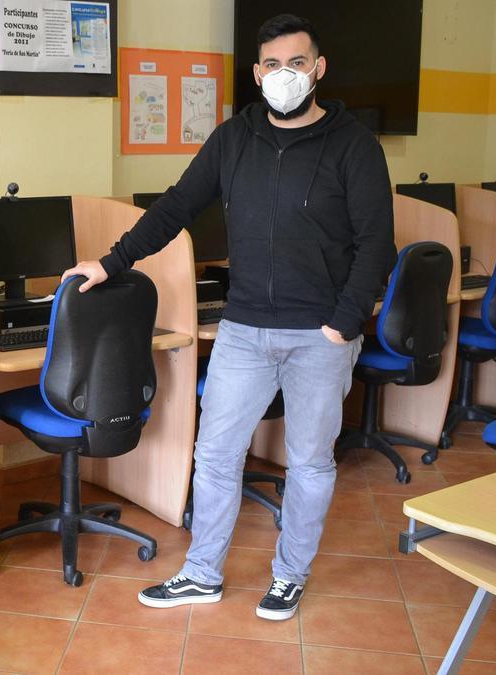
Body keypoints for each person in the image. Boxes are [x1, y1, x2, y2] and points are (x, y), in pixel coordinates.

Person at [62, 13, 395, 621]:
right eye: (272, 65)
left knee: (311, 463)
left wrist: (343, 322)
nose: (283, 75)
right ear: (256, 73)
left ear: (318, 70)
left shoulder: (354, 146)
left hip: (320, 334)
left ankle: (289, 576)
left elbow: (377, 243)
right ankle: (202, 573)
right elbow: (176, 206)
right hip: (243, 329)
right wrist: (113, 262)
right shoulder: (233, 138)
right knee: (215, 456)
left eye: (296, 63)